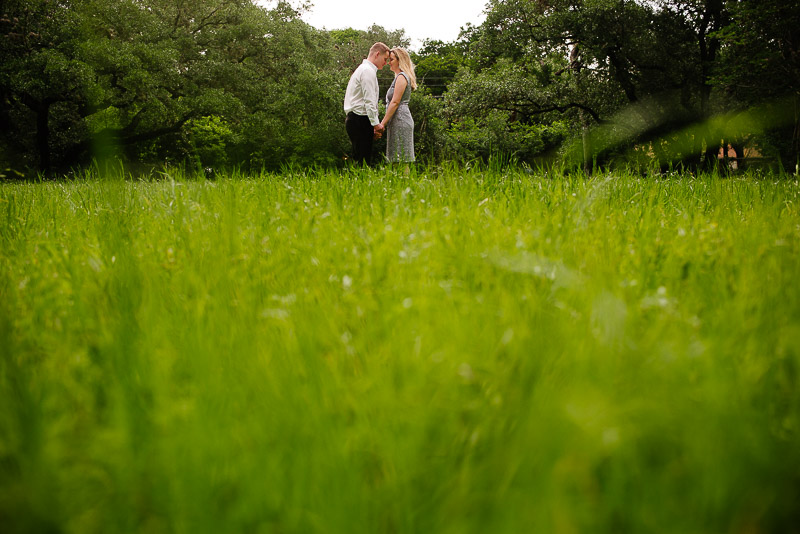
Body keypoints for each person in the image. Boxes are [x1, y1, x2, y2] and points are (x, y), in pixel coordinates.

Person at [343, 42, 390, 165]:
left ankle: (357, 183)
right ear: (377, 54)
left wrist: (372, 123)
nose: (385, 63)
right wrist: (376, 124)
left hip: (359, 119)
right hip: (359, 119)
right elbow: (369, 101)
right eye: (385, 59)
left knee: (361, 159)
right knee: (363, 162)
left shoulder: (363, 69)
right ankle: (358, 183)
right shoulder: (367, 71)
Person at [379, 47, 417, 167]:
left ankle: (405, 184)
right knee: (396, 159)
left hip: (400, 119)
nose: (389, 63)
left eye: (391, 59)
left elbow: (395, 102)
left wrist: (382, 124)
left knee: (402, 159)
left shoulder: (402, 77)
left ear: (399, 60)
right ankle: (399, 184)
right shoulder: (398, 77)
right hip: (396, 120)